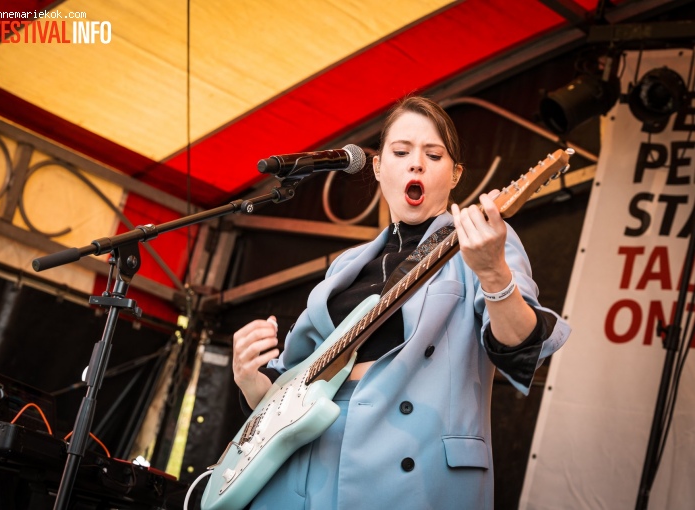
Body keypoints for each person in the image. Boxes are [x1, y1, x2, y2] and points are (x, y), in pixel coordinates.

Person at [231, 95, 571, 509]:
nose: (416, 163)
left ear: (455, 175)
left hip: (414, 476)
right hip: (309, 473)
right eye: (401, 151)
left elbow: (522, 346)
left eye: (434, 154)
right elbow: (287, 390)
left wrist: (494, 274)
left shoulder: (480, 242)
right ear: (377, 167)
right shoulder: (345, 266)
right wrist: (250, 379)